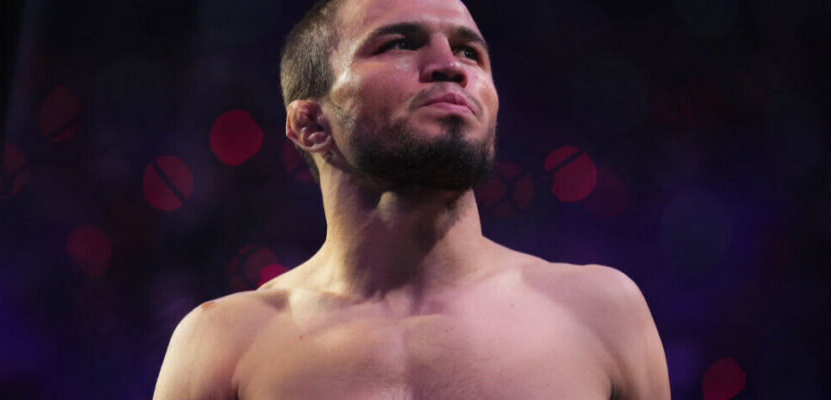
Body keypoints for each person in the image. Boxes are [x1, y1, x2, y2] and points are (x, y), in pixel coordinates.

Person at [153, 0, 670, 398]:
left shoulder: (600, 312)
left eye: (470, 52)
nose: (451, 66)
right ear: (311, 123)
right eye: (399, 44)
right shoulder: (223, 343)